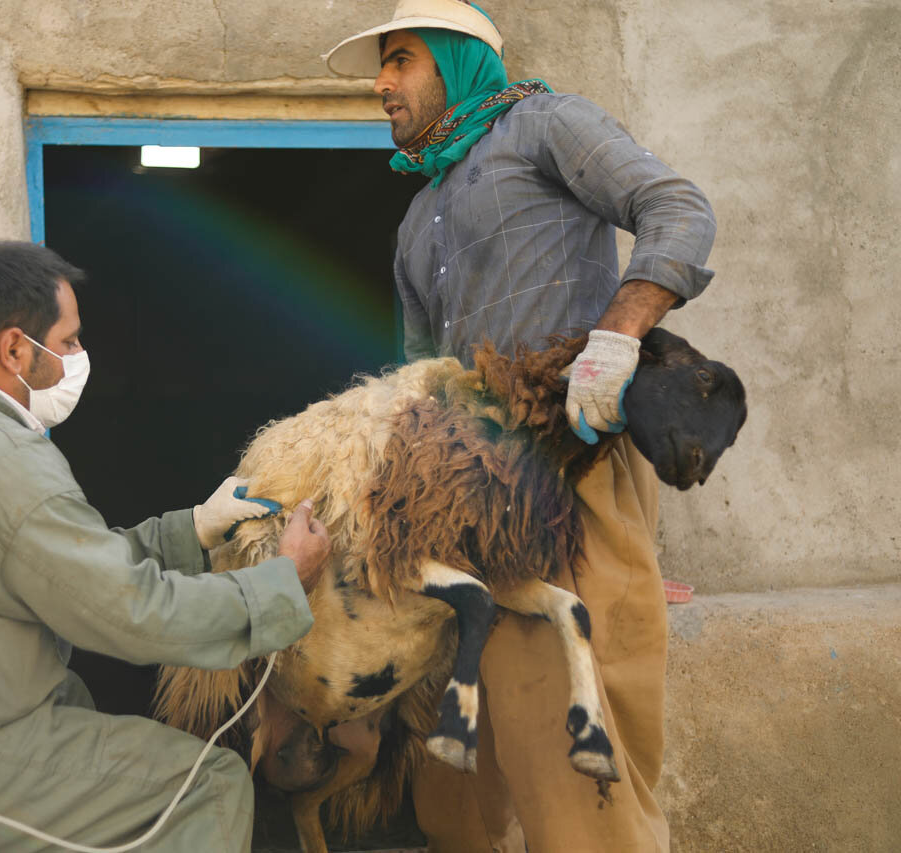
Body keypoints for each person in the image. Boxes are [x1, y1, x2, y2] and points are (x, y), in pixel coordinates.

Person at [0, 240, 331, 852]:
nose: (78, 357)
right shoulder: (2, 458)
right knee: (207, 783)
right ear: (14, 349)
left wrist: (195, 530)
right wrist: (281, 581)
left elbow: (51, 566)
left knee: (72, 702)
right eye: (68, 342)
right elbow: (126, 611)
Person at [324, 2, 717, 851]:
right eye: (381, 69)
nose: (382, 84)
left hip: (566, 480)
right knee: (456, 788)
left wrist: (617, 336)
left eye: (399, 59)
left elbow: (678, 208)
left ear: (460, 59)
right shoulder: (415, 217)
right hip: (466, 509)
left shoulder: (546, 124)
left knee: (574, 771)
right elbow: (418, 377)